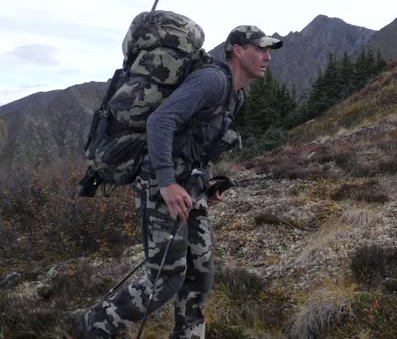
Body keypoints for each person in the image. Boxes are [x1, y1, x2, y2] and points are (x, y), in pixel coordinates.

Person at [73, 25, 282, 338]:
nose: (267, 57)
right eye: (260, 49)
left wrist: (208, 184)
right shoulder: (212, 80)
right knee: (167, 278)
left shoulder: (235, 95)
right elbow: (161, 121)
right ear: (237, 50)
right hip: (160, 184)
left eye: (269, 51)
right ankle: (97, 324)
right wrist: (168, 183)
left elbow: (197, 146)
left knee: (199, 274)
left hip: (188, 184)